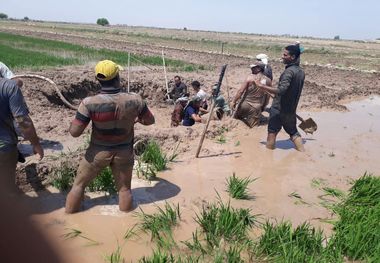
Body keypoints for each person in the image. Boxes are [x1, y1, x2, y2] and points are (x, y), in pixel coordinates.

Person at [65, 60, 155, 213]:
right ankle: (126, 223)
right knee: (125, 190)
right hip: (124, 152)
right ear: (117, 76)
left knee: (79, 186)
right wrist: (137, 119)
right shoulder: (135, 99)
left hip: (98, 153)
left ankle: (69, 217)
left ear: (98, 80)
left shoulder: (89, 103)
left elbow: (75, 132)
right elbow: (150, 120)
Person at [255, 44, 305, 151]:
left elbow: (282, 90)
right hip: (291, 110)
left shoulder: (288, 72)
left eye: (285, 55)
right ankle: (303, 153)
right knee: (293, 133)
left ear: (292, 57)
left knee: (272, 132)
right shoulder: (301, 72)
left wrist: (262, 86)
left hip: (279, 109)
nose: (282, 56)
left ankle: (268, 158)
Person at [0, 77, 44, 194]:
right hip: (4, 148)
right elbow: (23, 121)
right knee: (6, 191)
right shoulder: (9, 87)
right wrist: (36, 144)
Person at [232, 62, 271, 128]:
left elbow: (240, 91)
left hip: (244, 104)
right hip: (256, 107)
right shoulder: (268, 81)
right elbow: (268, 96)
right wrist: (264, 106)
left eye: (253, 68)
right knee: (254, 127)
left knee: (235, 120)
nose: (251, 69)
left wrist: (234, 101)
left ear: (259, 69)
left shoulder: (249, 77)